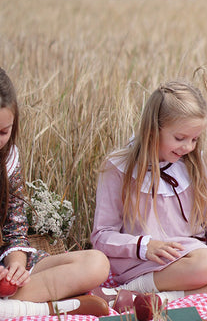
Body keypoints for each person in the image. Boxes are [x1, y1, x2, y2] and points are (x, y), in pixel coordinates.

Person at [91, 80, 207, 313]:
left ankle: (163, 299)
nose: (188, 147)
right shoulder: (119, 168)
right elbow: (102, 236)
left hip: (192, 257)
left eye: (194, 139)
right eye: (180, 138)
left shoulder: (193, 164)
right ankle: (135, 286)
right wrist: (145, 245)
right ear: (153, 130)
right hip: (144, 263)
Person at [0, 68, 111, 318]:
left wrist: (15, 266)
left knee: (96, 264)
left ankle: (12, 305)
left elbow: (14, 230)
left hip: (3, 267)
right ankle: (41, 305)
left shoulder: (9, 159)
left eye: (3, 132)